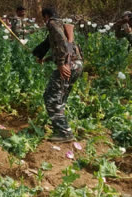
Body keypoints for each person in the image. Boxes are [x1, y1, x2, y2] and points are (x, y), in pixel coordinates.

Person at [33, 7, 83, 143]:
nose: (44, 21)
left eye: (44, 18)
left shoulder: (53, 24)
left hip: (69, 65)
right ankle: (60, 126)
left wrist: (62, 64)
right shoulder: (62, 25)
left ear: (47, 16)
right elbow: (65, 47)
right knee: (60, 97)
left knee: (51, 97)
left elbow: (62, 43)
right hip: (77, 65)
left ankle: (64, 132)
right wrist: (47, 59)